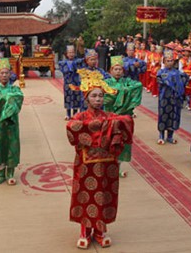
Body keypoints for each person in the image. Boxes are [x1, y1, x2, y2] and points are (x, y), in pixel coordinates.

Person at [66, 68, 134, 249]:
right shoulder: (80, 117)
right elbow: (73, 127)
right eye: (94, 96)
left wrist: (112, 124)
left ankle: (99, 230)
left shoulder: (110, 117)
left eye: (101, 96)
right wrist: (97, 126)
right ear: (86, 98)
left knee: (104, 195)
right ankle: (84, 231)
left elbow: (126, 120)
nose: (98, 99)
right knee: (85, 195)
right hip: (85, 163)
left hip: (107, 164)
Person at [103, 56, 142, 178]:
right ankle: (107, 168)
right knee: (109, 143)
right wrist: (124, 92)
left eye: (120, 69)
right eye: (115, 69)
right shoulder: (106, 83)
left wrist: (122, 90)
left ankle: (118, 168)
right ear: (110, 71)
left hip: (124, 118)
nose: (118, 71)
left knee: (122, 143)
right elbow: (107, 96)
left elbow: (139, 85)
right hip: (110, 117)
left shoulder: (127, 81)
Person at [156, 50, 189, 145]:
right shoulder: (161, 72)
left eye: (171, 61)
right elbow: (160, 82)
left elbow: (185, 80)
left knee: (174, 116)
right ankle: (161, 136)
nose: (170, 63)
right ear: (164, 62)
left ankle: (170, 136)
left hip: (175, 98)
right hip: (164, 97)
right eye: (168, 61)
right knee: (163, 115)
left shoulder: (178, 73)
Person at [59, 45, 84, 120]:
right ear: (66, 53)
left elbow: (82, 64)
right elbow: (64, 71)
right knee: (68, 97)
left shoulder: (78, 61)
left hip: (76, 82)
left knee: (76, 97)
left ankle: (75, 113)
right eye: (69, 52)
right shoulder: (63, 63)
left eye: (72, 52)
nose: (71, 54)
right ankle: (68, 113)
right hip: (67, 83)